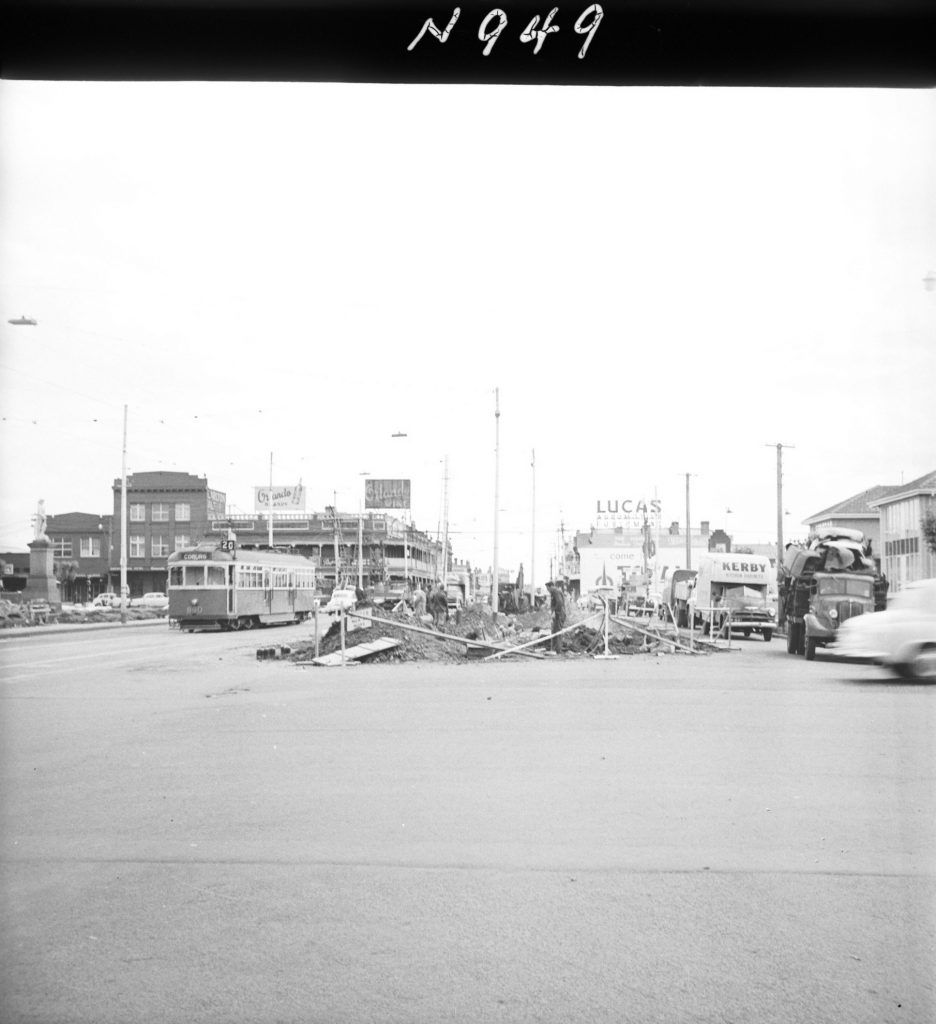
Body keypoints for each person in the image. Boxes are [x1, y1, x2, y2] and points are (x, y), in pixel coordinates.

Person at [546, 580, 566, 654]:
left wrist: (555, 612)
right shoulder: (554, 592)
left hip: (559, 615)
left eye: (548, 588)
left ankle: (558, 650)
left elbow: (559, 602)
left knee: (557, 631)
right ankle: (555, 649)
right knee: (554, 631)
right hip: (558, 614)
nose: (548, 590)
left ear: (551, 587)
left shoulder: (555, 591)